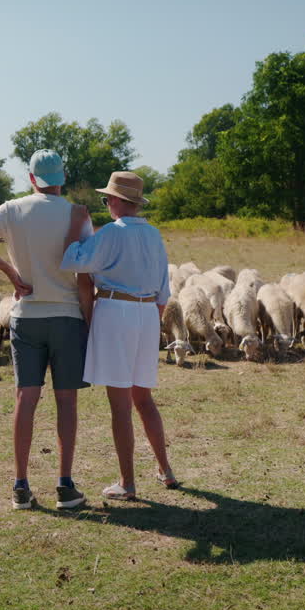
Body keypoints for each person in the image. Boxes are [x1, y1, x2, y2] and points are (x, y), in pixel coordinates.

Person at [0, 149, 94, 510]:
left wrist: (10, 272)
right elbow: (85, 276)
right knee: (66, 401)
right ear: (62, 178)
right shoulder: (77, 214)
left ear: (32, 178)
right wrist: (89, 320)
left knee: (26, 398)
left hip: (26, 316)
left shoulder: (12, 210)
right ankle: (65, 485)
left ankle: (21, 486)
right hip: (67, 317)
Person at [60, 170, 179, 500]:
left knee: (120, 404)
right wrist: (148, 323)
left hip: (116, 311)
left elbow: (72, 261)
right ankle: (165, 470)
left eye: (106, 199)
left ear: (114, 200)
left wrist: (74, 230)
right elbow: (163, 291)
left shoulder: (111, 232)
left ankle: (127, 483)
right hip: (148, 313)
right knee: (143, 398)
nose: (106, 204)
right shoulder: (154, 234)